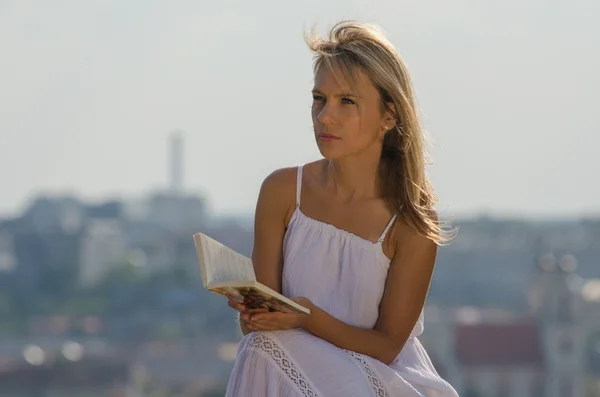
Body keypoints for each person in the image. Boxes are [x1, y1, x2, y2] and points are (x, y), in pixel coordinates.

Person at [225, 20, 459, 397]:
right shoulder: (282, 192)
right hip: (292, 373)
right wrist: (253, 313)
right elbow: (259, 331)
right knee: (259, 347)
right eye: (319, 98)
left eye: (346, 101)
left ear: (390, 116)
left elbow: (386, 347)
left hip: (378, 379)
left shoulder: (411, 222)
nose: (324, 116)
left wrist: (306, 317)